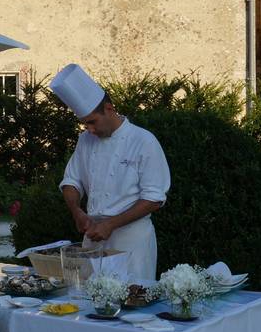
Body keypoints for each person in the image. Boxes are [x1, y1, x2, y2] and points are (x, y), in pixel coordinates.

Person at [50, 64, 171, 281]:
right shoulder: (85, 140)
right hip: (93, 238)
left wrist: (111, 224)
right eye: (85, 124)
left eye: (92, 122)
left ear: (109, 108)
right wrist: (76, 210)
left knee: (131, 304)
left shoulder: (143, 141)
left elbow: (154, 198)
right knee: (88, 303)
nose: (90, 130)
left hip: (132, 242)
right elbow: (71, 181)